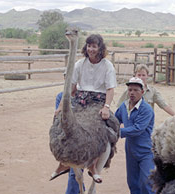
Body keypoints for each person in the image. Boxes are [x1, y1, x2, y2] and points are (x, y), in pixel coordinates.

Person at [51, 34, 117, 191]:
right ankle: (63, 161)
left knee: (107, 127)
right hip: (80, 101)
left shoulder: (107, 66)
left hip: (97, 102)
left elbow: (110, 89)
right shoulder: (80, 64)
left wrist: (106, 106)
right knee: (62, 124)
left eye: (94, 46)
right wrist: (61, 106)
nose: (91, 49)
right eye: (89, 46)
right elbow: (72, 87)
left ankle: (96, 164)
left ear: (100, 48)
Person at [115, 77, 155, 194]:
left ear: (142, 92)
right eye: (130, 90)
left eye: (136, 90)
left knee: (146, 182)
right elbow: (115, 119)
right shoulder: (123, 106)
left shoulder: (146, 109)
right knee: (132, 183)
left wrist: (117, 132)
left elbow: (138, 129)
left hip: (146, 151)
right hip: (130, 150)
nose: (132, 93)